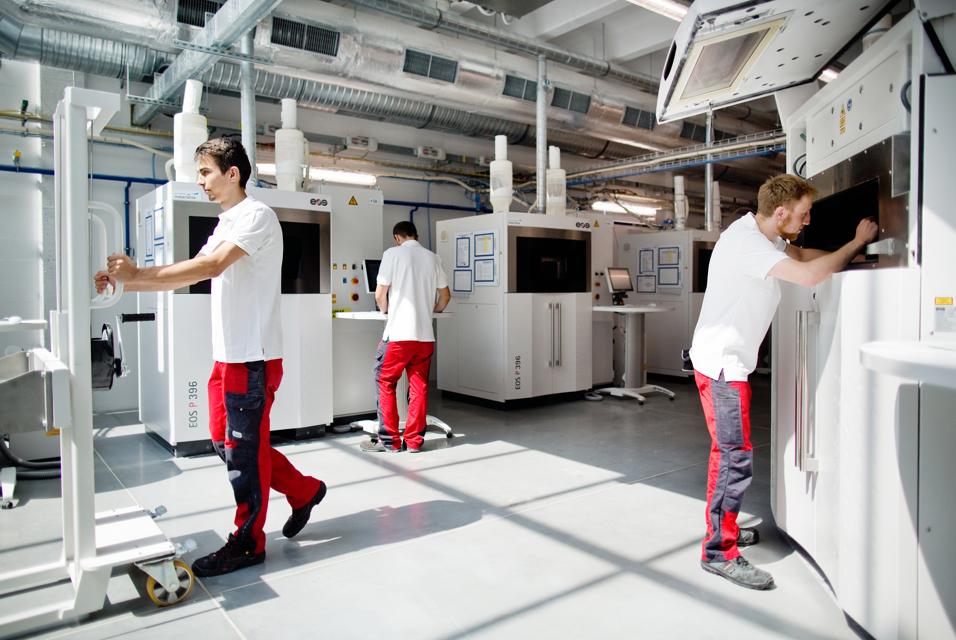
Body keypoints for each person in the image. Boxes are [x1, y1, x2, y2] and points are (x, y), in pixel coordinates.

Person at [94, 137, 326, 577]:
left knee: (242, 453)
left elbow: (210, 267)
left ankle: (248, 542)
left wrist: (137, 272)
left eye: (205, 172)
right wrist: (122, 284)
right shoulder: (225, 223)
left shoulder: (256, 215)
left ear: (232, 172)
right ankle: (305, 490)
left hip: (251, 358)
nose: (199, 180)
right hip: (227, 358)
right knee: (229, 444)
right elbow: (187, 274)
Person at [689, 174, 878, 590]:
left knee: (733, 453)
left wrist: (854, 256)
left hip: (725, 360)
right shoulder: (748, 246)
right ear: (780, 213)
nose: (808, 219)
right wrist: (855, 244)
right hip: (723, 366)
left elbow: (805, 253)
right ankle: (718, 551)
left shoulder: (762, 233)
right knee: (733, 457)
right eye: (803, 213)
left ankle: (727, 532)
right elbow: (810, 276)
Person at [361, 221, 450, 453]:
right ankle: (414, 442)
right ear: (416, 236)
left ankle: (389, 441)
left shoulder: (392, 254)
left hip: (399, 335)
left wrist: (386, 311)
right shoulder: (432, 257)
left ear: (397, 238)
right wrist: (433, 311)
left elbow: (381, 294)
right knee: (419, 386)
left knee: (385, 381)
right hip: (425, 337)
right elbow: (445, 296)